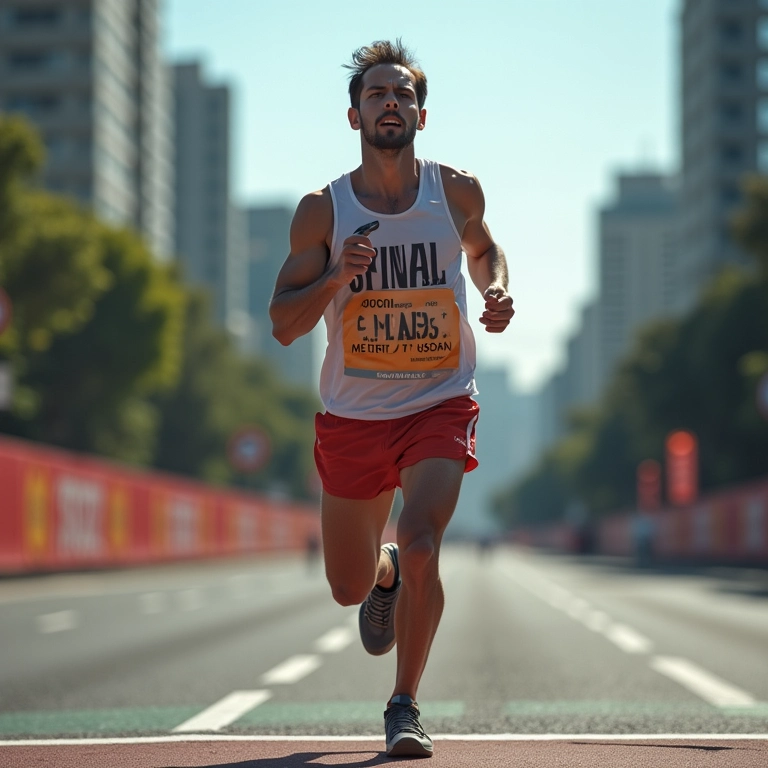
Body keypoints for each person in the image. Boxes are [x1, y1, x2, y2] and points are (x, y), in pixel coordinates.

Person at [269, 39, 514, 758]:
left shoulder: (457, 191)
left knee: (425, 539)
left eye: (403, 94)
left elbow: (485, 249)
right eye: (377, 94)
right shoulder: (323, 211)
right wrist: (334, 277)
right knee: (348, 587)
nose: (390, 103)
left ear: (421, 115)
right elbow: (284, 325)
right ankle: (383, 574)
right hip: (354, 416)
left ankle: (404, 704)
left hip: (439, 400)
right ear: (355, 117)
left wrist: (495, 289)